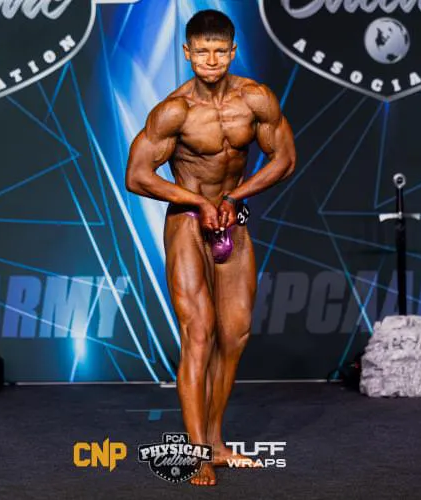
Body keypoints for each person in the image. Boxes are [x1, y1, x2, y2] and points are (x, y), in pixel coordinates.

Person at [125, 9, 296, 486]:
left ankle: (217, 442)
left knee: (235, 334)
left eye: (220, 51)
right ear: (187, 53)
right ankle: (197, 451)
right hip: (187, 222)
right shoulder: (175, 111)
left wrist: (234, 197)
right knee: (198, 333)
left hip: (232, 219)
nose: (212, 60)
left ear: (233, 51)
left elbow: (284, 158)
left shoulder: (255, 99)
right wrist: (198, 201)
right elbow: (136, 175)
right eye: (202, 52)